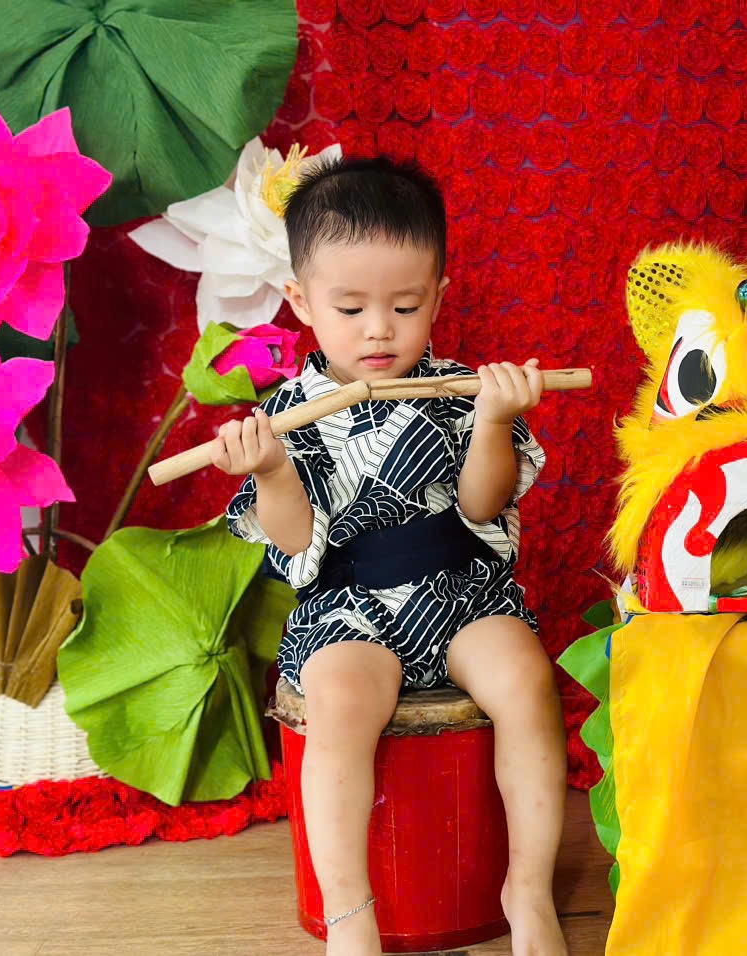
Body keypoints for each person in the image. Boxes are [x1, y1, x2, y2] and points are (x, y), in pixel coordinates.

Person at [215, 155, 569, 956]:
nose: (379, 329)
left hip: (461, 590)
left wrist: (492, 421)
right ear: (302, 301)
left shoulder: (461, 390)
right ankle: (350, 912)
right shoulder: (289, 412)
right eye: (350, 307)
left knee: (525, 676)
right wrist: (270, 470)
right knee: (340, 699)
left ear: (438, 297)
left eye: (405, 306)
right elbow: (295, 543)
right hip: (348, 607)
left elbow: (482, 506)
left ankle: (529, 889)